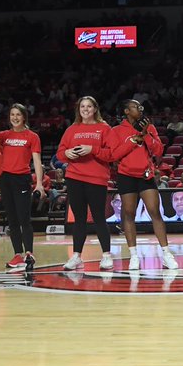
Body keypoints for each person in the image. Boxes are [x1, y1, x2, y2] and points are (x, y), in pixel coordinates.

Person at [109, 99, 179, 270]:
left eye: (140, 106)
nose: (140, 109)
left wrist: (146, 133)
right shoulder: (116, 131)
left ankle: (166, 254)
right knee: (128, 214)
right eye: (135, 107)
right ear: (126, 111)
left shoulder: (150, 127)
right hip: (126, 175)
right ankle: (134, 256)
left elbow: (158, 151)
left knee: (155, 212)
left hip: (145, 175)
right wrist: (133, 140)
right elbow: (114, 155)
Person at [55, 96, 119, 271]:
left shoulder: (104, 128)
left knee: (98, 217)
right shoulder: (71, 129)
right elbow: (60, 153)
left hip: (96, 178)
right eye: (82, 106)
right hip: (74, 177)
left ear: (95, 109)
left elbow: (112, 154)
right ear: (79, 109)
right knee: (79, 219)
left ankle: (106, 255)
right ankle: (76, 256)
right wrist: (67, 153)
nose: (85, 109)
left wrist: (92, 149)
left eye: (89, 106)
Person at [0, 104, 45, 271]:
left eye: (18, 115)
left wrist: (39, 183)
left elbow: (37, 161)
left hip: (22, 179)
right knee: (12, 220)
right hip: (6, 179)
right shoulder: (4, 135)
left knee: (24, 218)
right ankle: (18, 254)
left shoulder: (32, 136)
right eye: (12, 115)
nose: (15, 118)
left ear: (24, 117)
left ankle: (29, 253)